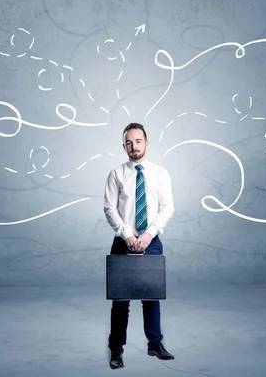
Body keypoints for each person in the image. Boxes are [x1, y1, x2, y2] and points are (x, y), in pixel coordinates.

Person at [103, 122, 175, 369]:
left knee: (151, 297)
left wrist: (148, 235)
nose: (134, 146)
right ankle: (116, 350)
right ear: (124, 146)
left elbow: (167, 208)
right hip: (123, 241)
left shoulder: (160, 173)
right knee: (120, 301)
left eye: (138, 141)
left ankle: (155, 344)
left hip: (151, 241)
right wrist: (127, 235)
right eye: (129, 142)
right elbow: (109, 208)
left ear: (147, 143)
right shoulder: (116, 174)